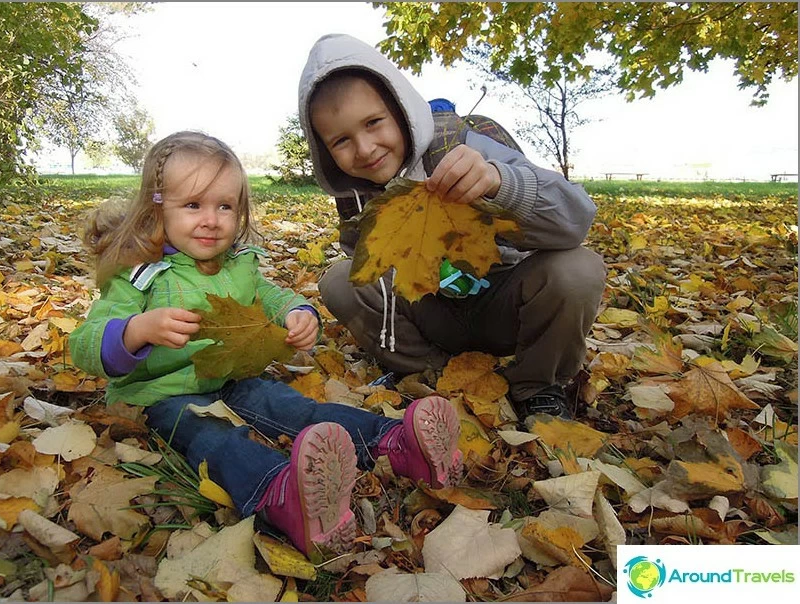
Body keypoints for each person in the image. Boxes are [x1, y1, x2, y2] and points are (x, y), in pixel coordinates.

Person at [69, 130, 463, 559]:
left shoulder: (238, 265)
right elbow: (85, 343)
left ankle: (398, 444)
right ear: (156, 207)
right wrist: (136, 330)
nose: (211, 219)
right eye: (193, 205)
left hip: (232, 378)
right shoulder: (140, 274)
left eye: (225, 206)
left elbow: (272, 297)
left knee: (295, 409)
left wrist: (299, 313)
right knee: (214, 439)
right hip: (163, 395)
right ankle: (283, 494)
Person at [298, 33, 607, 420]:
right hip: (432, 314)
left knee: (577, 270)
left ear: (401, 110)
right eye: (341, 140)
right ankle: (436, 374)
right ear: (324, 151)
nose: (364, 149)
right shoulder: (357, 197)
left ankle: (537, 384)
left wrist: (499, 183)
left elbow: (575, 220)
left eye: (374, 123)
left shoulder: (463, 145)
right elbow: (374, 281)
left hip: (505, 303)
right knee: (342, 279)